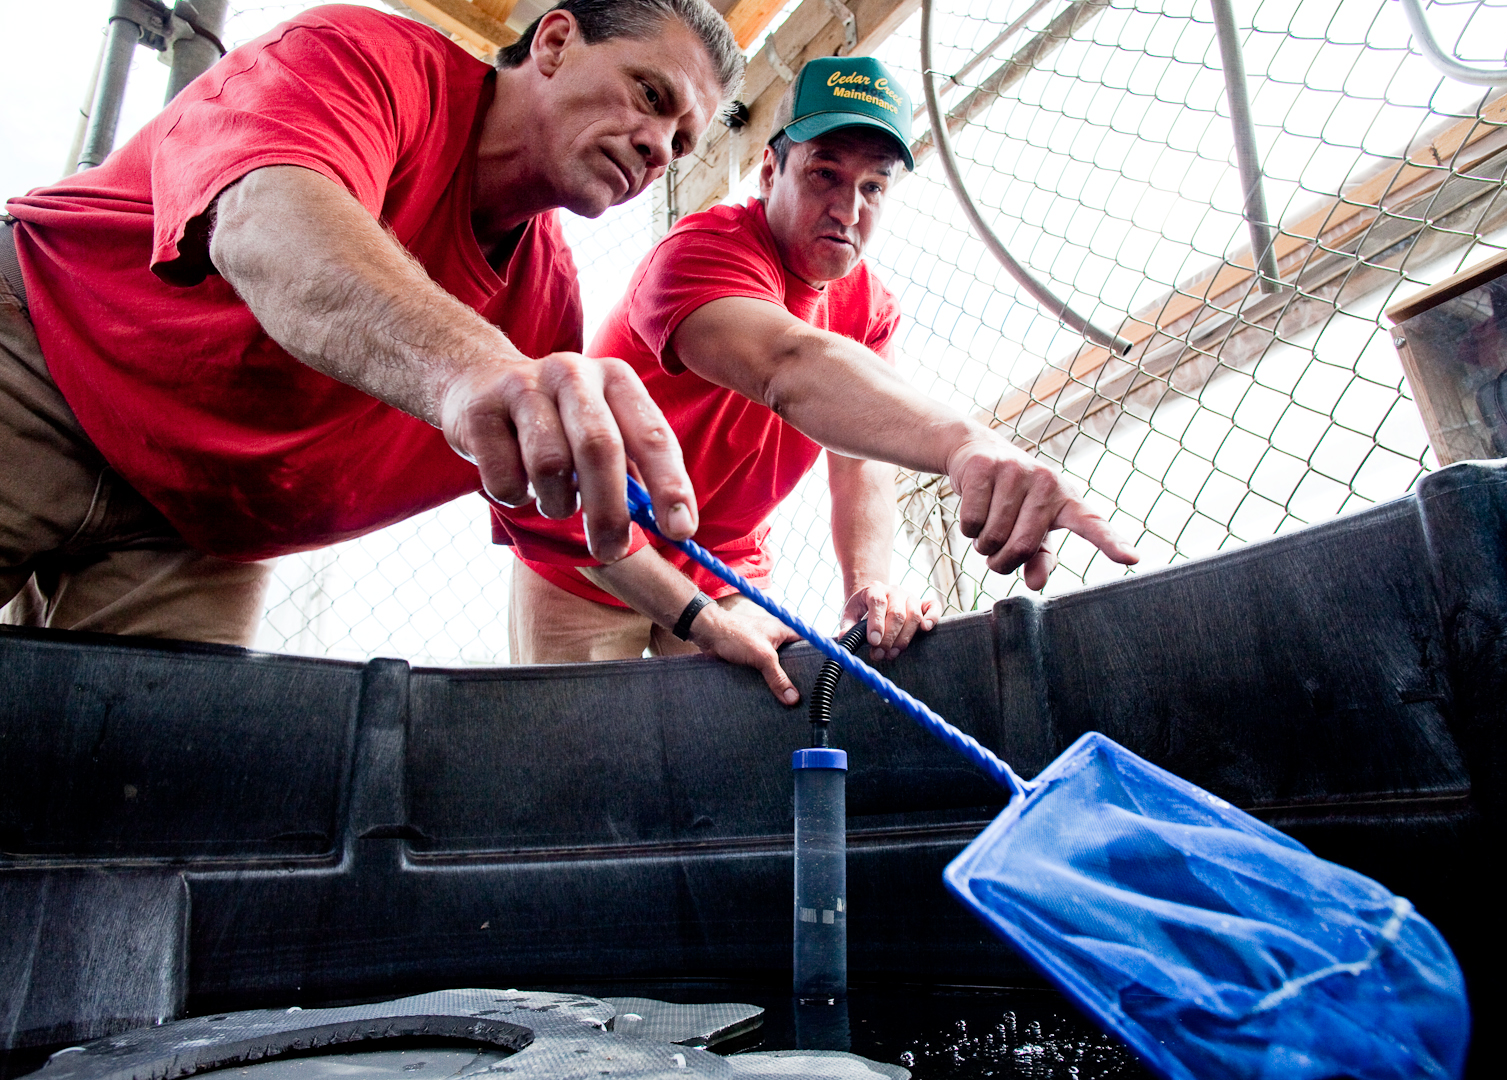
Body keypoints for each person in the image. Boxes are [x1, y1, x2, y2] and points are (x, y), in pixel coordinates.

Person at [0, 0, 741, 645]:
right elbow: (265, 219)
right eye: (650, 94)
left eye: (681, 142)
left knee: (146, 785)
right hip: (41, 372)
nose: (657, 147)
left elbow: (566, 520)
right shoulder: (366, 59)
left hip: (201, 531)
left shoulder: (548, 308)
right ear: (552, 43)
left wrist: (704, 623)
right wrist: (471, 366)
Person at [500, 55, 1138, 704]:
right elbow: (789, 364)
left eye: (873, 187)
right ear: (772, 169)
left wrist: (869, 584)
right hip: (594, 552)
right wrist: (965, 443)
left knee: (751, 747)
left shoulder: (872, 308)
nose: (847, 207)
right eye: (824, 174)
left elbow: (860, 462)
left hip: (725, 569)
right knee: (582, 764)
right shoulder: (699, 252)